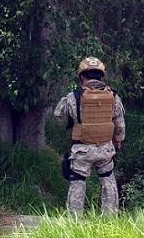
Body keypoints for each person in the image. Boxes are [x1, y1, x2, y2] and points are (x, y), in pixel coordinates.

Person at [54, 57, 126, 215]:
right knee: (108, 181)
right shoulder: (113, 96)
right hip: (105, 150)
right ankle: (110, 220)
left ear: (82, 76)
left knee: (77, 183)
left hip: (82, 150)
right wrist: (118, 142)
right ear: (101, 76)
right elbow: (119, 124)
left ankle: (74, 223)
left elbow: (58, 115)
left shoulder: (74, 96)